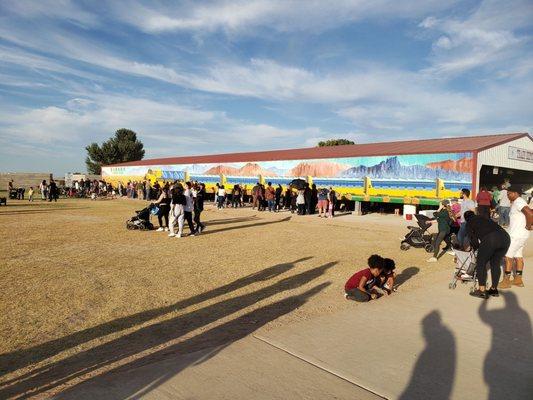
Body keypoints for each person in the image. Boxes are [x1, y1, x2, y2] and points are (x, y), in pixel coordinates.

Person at [465, 211, 511, 299]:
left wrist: (477, 249)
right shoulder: (484, 218)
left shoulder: (469, 222)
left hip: (491, 238)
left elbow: (473, 240)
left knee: (481, 263)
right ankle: (493, 289)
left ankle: (482, 291)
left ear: (466, 219)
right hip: (505, 237)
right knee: (495, 263)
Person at [500, 186, 533, 288]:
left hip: (516, 235)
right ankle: (518, 280)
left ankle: (506, 281)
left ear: (515, 193)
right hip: (521, 235)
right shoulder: (518, 202)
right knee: (518, 256)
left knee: (507, 257)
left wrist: (528, 225)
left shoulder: (519, 201)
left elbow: (530, 213)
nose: (508, 195)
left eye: (509, 193)